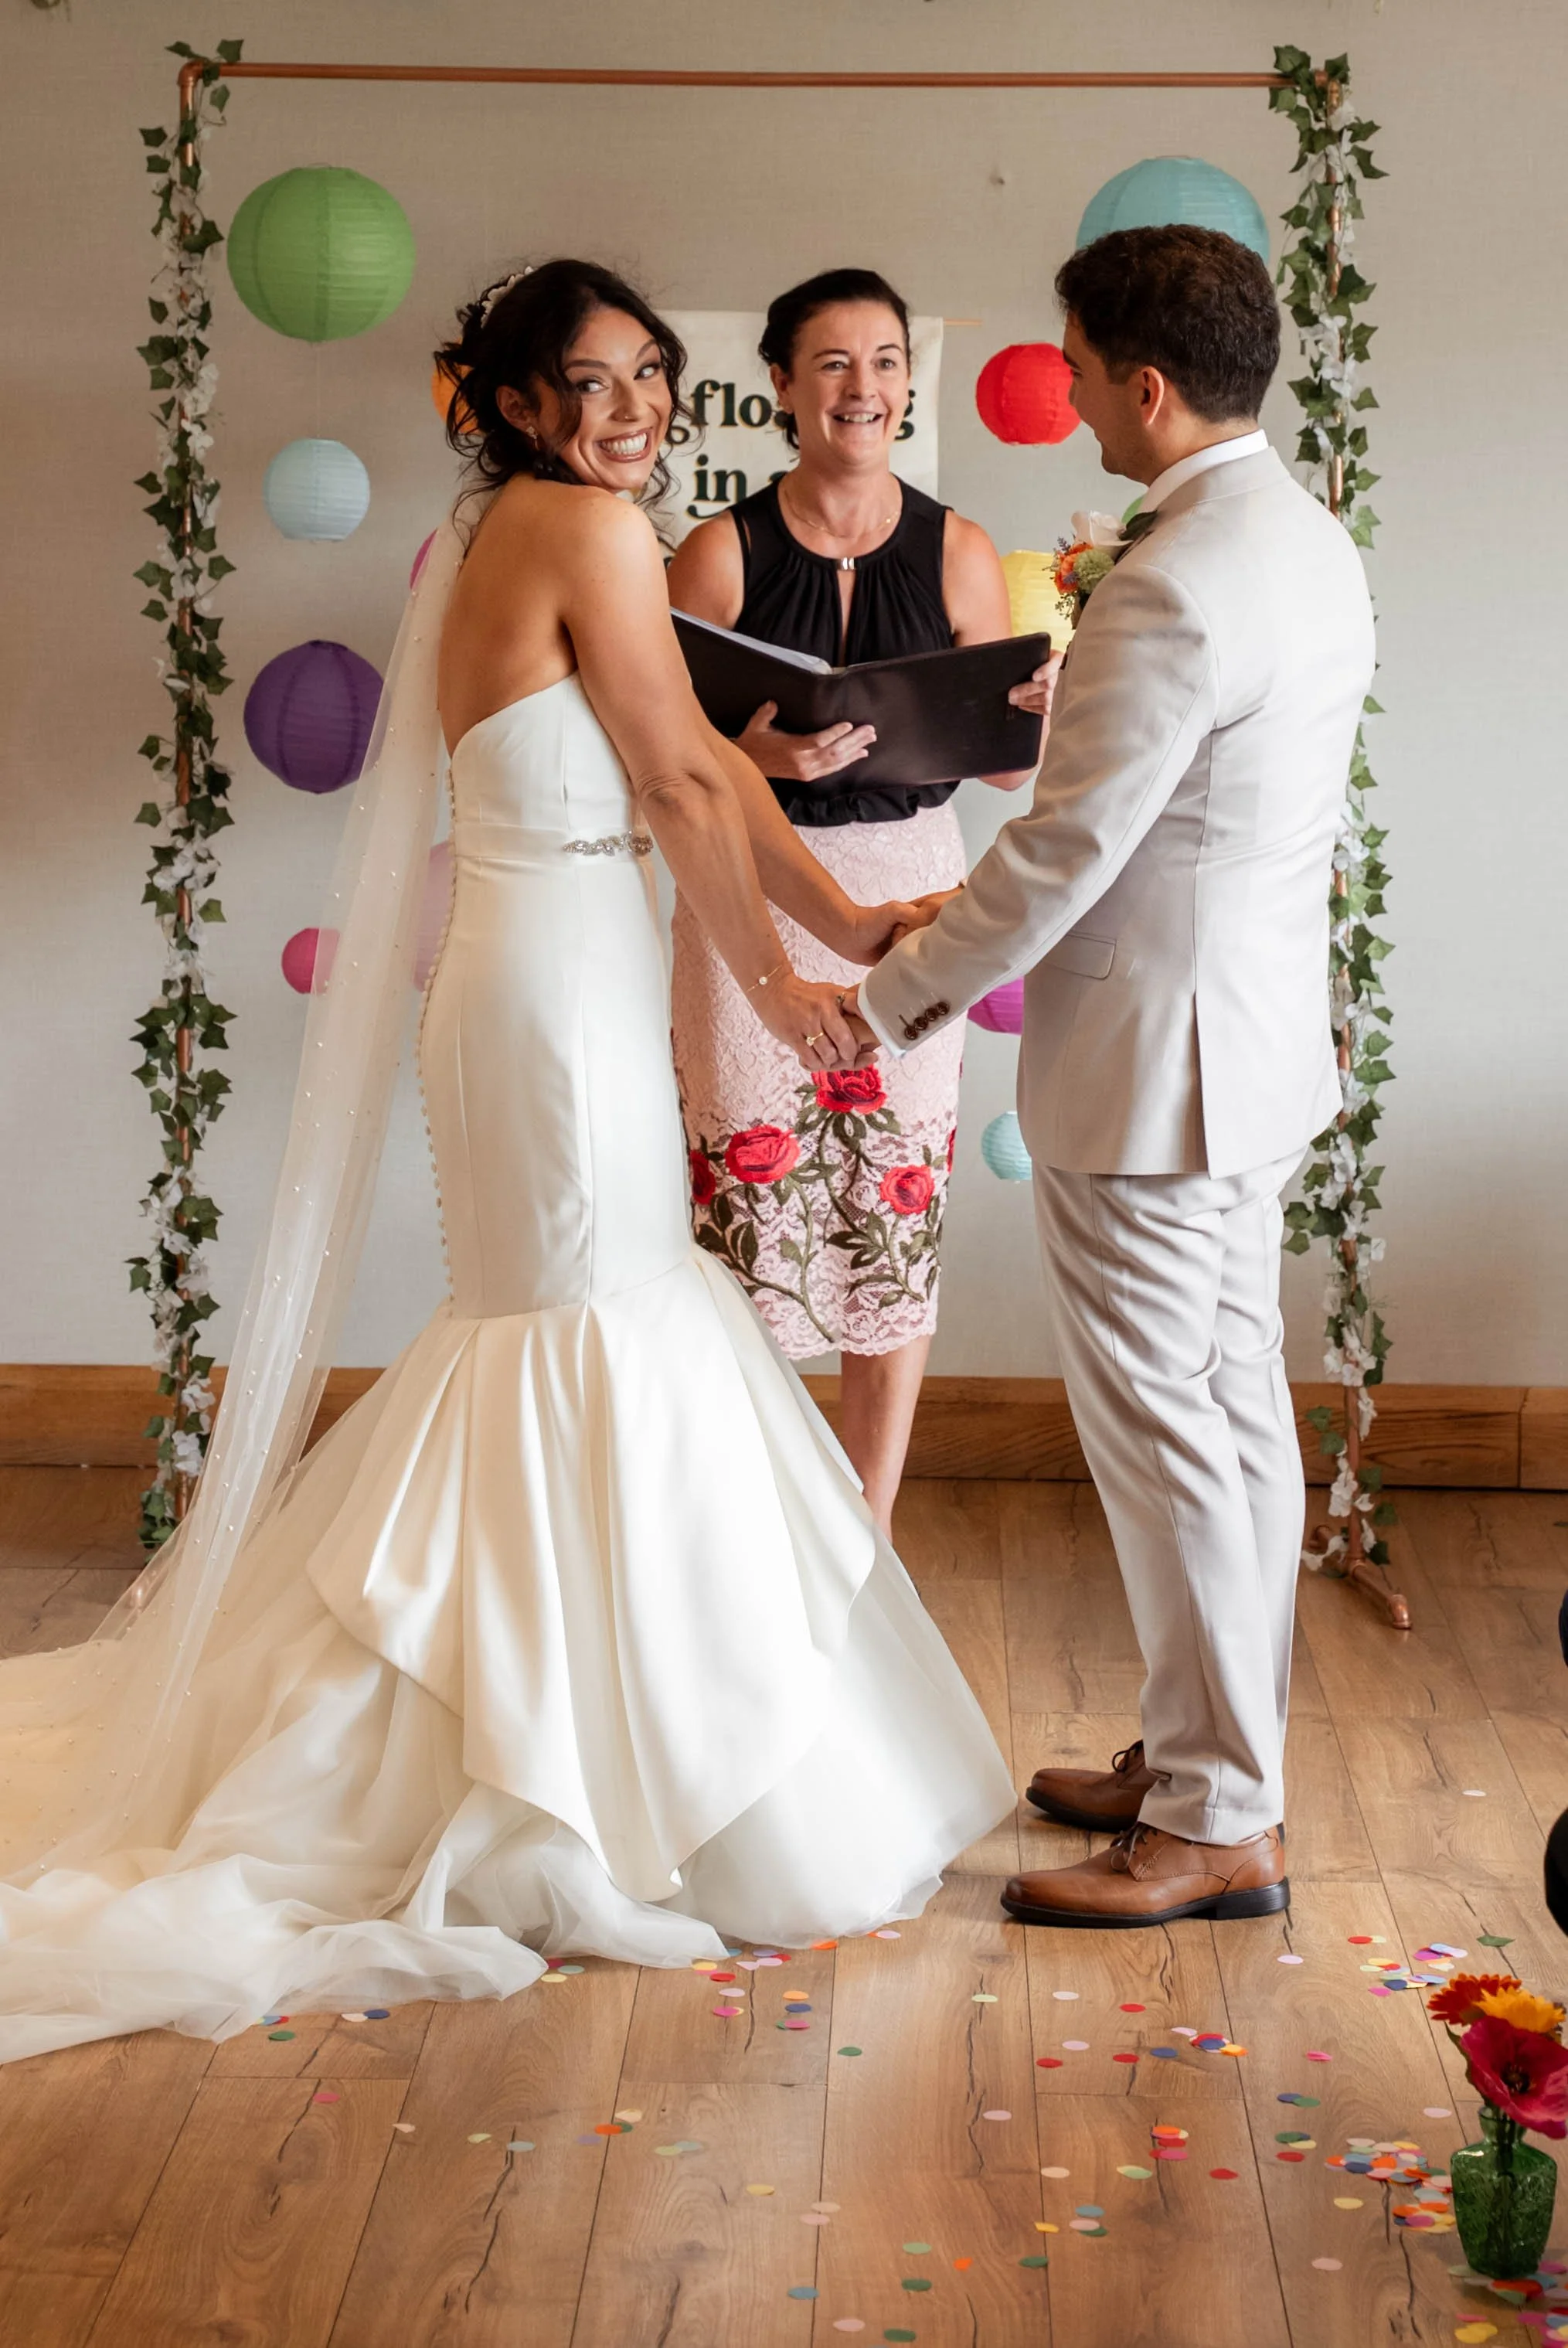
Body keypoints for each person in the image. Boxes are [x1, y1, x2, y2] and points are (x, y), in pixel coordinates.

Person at [0, 260, 1012, 2060]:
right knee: (576, 1325)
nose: (632, 411)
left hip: (553, 968)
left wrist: (815, 909)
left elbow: (697, 763)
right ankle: (553, 1758)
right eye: (592, 383)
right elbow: (690, 791)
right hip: (550, 989)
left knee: (578, 1320)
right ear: (519, 403)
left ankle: (547, 1720)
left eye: (647, 377)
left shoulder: (519, 534)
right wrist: (802, 963)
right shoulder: (585, 532)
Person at [850, 225, 1376, 1929]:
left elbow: (1070, 851)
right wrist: (957, 903)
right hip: (1250, 1048)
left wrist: (893, 994)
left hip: (1161, 1071)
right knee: (1229, 1417)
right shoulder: (1304, 539)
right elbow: (1178, 830)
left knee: (1171, 1433)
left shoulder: (1168, 581)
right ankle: (1206, 1743)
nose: (1064, 392)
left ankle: (1220, 1816)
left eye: (1075, 368)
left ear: (1145, 390)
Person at [666, 268, 1056, 1535]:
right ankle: (749, 1513)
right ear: (780, 383)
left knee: (898, 1195)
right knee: (748, 1207)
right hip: (749, 901)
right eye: (834, 364)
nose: (866, 388)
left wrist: (1041, 718)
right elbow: (652, 759)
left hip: (916, 886)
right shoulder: (715, 551)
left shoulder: (957, 547)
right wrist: (759, 762)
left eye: (887, 362)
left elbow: (999, 765)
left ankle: (866, 1528)